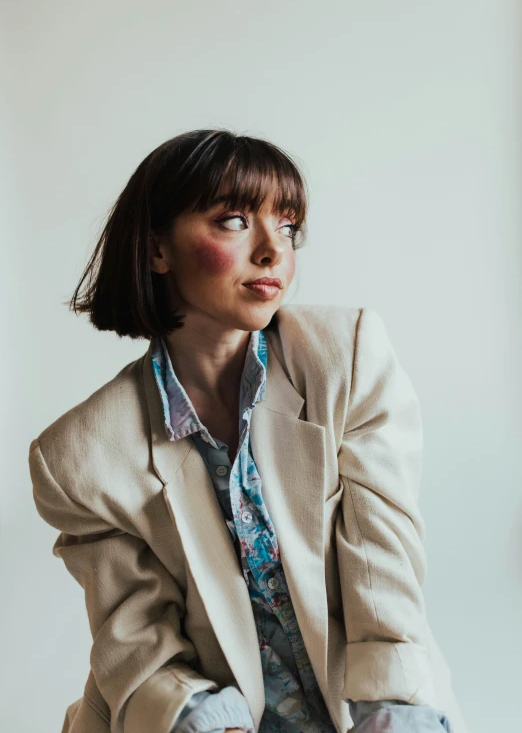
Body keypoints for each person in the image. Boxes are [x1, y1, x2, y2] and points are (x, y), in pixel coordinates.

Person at [28, 129, 467, 733]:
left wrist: (392, 710)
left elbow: (382, 562)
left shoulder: (346, 357)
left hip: (368, 709)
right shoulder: (77, 457)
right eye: (234, 220)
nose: (273, 251)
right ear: (158, 249)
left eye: (287, 227)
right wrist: (203, 718)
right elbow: (137, 641)